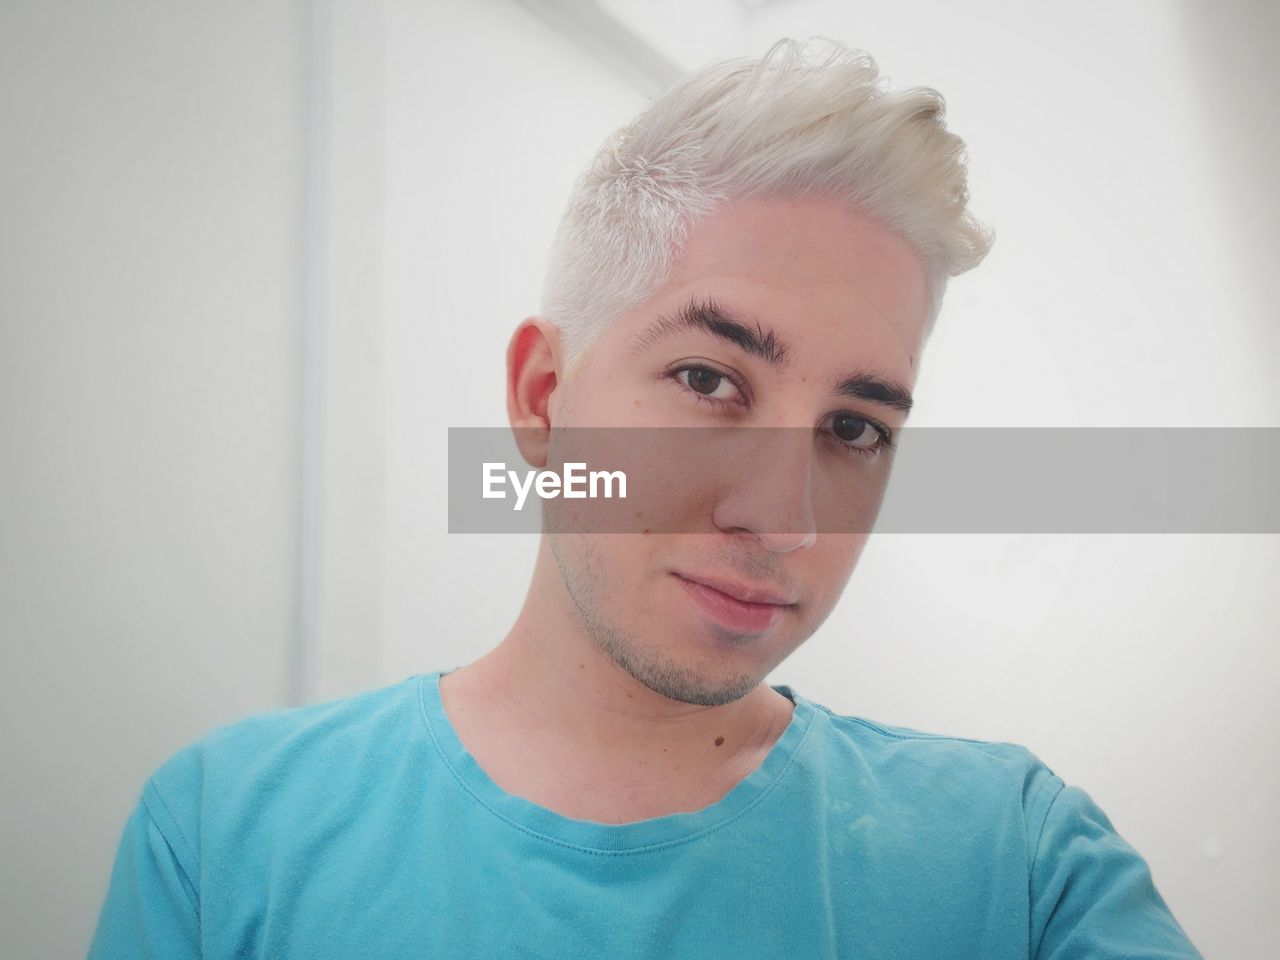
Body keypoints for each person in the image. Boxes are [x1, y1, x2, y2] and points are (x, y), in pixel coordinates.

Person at [88, 38, 1203, 959]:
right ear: (541, 398)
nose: (783, 518)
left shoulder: (1011, 866)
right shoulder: (229, 837)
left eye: (854, 429)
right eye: (709, 381)